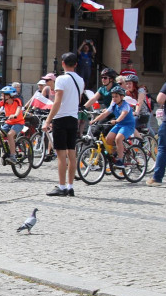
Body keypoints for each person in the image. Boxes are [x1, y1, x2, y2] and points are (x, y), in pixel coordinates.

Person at [44, 52, 85, 197]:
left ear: (62, 63)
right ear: (76, 64)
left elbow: (57, 101)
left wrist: (48, 120)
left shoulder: (61, 79)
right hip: (73, 118)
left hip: (61, 118)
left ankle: (62, 187)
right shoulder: (80, 80)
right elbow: (78, 99)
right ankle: (70, 186)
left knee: (61, 155)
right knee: (71, 153)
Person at [91, 86, 134, 165]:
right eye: (113, 97)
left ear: (122, 97)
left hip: (127, 125)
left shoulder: (125, 105)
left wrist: (116, 120)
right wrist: (94, 120)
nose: (114, 98)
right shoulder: (114, 104)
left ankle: (120, 160)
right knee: (108, 139)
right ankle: (115, 154)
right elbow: (105, 113)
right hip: (119, 124)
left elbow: (123, 114)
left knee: (118, 138)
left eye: (116, 96)